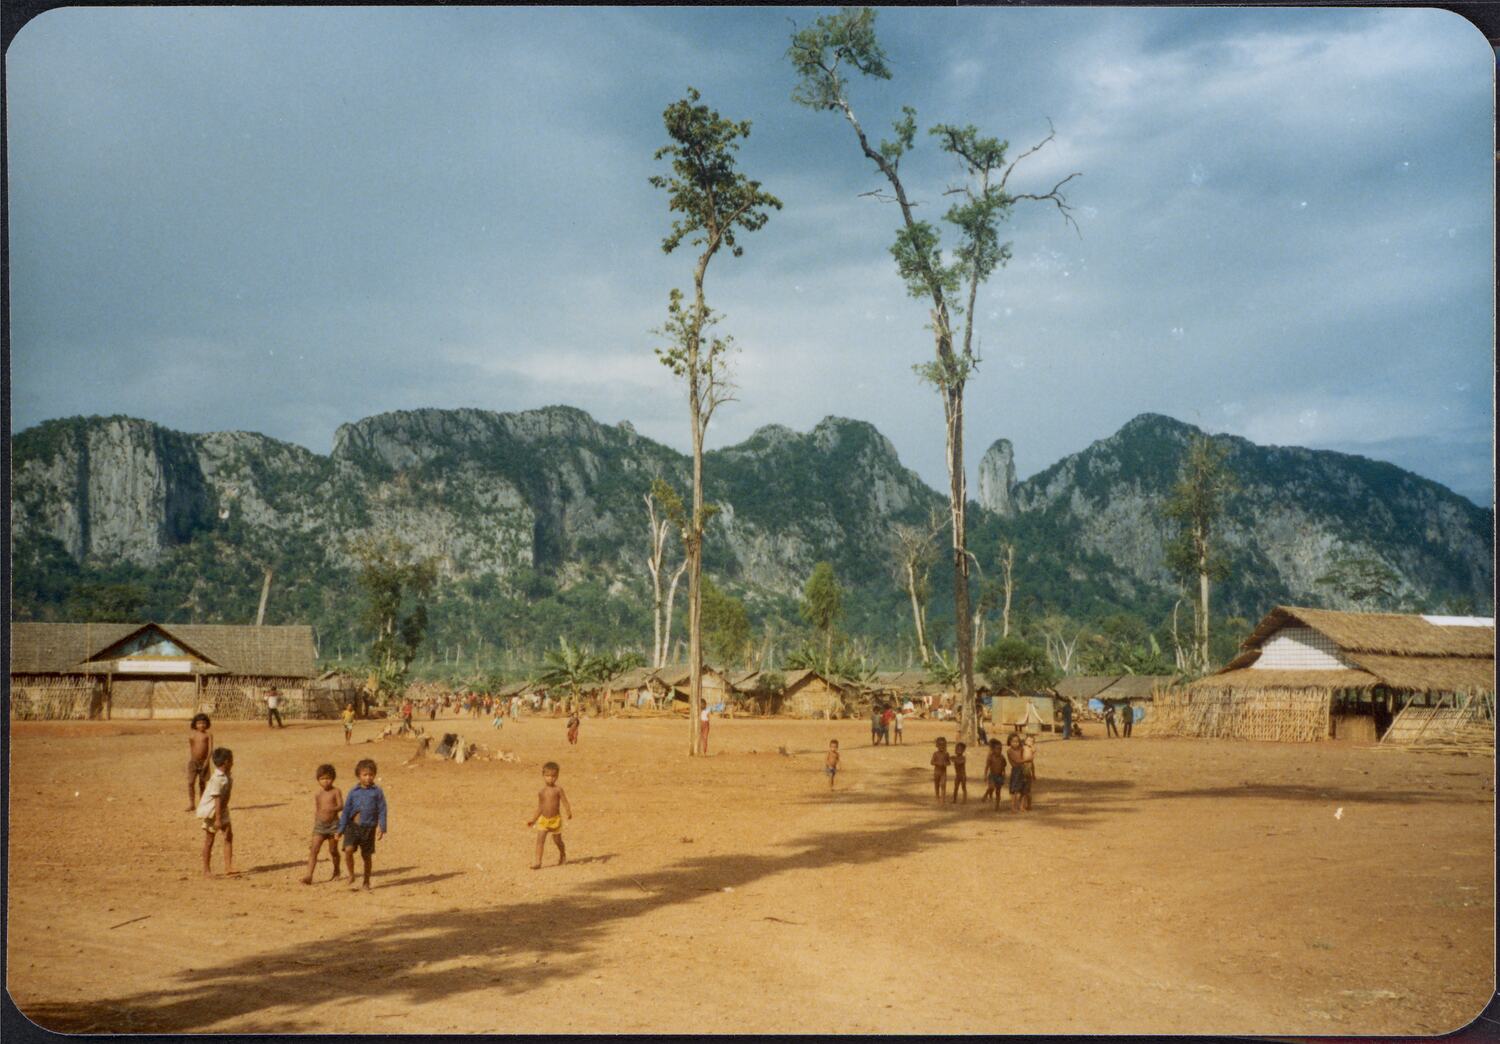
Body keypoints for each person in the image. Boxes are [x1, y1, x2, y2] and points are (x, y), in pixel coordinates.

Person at [337, 758, 388, 890]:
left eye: (371, 775)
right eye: (364, 775)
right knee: (348, 850)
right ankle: (351, 874)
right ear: (358, 776)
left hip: (368, 828)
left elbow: (382, 809)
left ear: (374, 775)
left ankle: (366, 881)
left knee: (366, 856)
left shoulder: (377, 792)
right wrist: (340, 829)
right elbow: (346, 810)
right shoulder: (353, 792)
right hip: (352, 827)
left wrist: (382, 826)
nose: (368, 778)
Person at [301, 764, 344, 884]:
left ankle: (336, 870)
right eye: (322, 779)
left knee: (333, 850)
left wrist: (333, 809)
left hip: (334, 825)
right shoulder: (318, 794)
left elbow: (341, 805)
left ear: (333, 778)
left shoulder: (336, 791)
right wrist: (316, 823)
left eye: (328, 778)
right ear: (318, 780)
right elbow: (318, 809)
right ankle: (308, 875)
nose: (325, 781)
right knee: (314, 849)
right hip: (320, 826)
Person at [527, 761, 573, 869]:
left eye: (553, 776)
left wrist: (568, 811)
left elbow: (564, 801)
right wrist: (533, 820)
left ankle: (562, 854)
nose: (550, 778)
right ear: (543, 776)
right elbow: (540, 807)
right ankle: (538, 862)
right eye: (547, 776)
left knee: (557, 840)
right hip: (543, 820)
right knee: (540, 840)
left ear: (557, 776)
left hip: (555, 820)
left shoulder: (558, 790)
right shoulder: (541, 792)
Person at [197, 747, 235, 876]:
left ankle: (228, 867)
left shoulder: (226, 776)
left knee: (229, 835)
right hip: (213, 811)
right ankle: (206, 870)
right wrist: (218, 819)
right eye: (231, 760)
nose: (233, 763)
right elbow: (216, 799)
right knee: (209, 839)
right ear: (225, 762)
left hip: (222, 810)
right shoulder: (217, 779)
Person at [186, 713, 215, 811]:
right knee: (190, 782)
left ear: (207, 724)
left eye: (203, 723)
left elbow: (210, 749)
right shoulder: (192, 735)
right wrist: (192, 761)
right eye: (199, 723)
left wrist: (206, 762)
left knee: (202, 783)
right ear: (195, 724)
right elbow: (192, 747)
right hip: (193, 762)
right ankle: (191, 803)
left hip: (204, 762)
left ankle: (202, 803)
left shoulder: (208, 735)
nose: (201, 725)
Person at [1006, 734, 1032, 813]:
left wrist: (1029, 744)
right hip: (1016, 771)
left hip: (1023, 770)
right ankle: (1013, 807)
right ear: (1009, 742)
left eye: (1017, 741)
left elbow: (1031, 749)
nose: (1015, 743)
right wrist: (1027, 760)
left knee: (1024, 789)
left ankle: (1021, 806)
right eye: (1013, 741)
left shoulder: (1021, 749)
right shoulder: (1010, 751)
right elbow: (1017, 761)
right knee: (1014, 790)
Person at [983, 738, 1006, 811]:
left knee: (998, 791)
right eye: (997, 749)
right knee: (991, 787)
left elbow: (1003, 766)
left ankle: (997, 805)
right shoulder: (990, 757)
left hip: (999, 776)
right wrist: (985, 775)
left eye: (1000, 749)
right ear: (993, 749)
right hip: (992, 775)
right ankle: (987, 793)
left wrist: (1004, 773)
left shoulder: (1002, 757)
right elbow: (987, 767)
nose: (999, 751)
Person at [930, 737, 951, 803]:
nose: (942, 746)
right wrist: (937, 763)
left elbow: (949, 762)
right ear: (937, 745)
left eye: (943, 745)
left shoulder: (946, 754)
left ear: (945, 745)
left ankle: (943, 799)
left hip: (943, 772)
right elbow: (931, 762)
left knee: (943, 785)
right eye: (940, 745)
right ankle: (937, 797)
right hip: (936, 772)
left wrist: (945, 764)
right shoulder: (935, 754)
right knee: (936, 785)